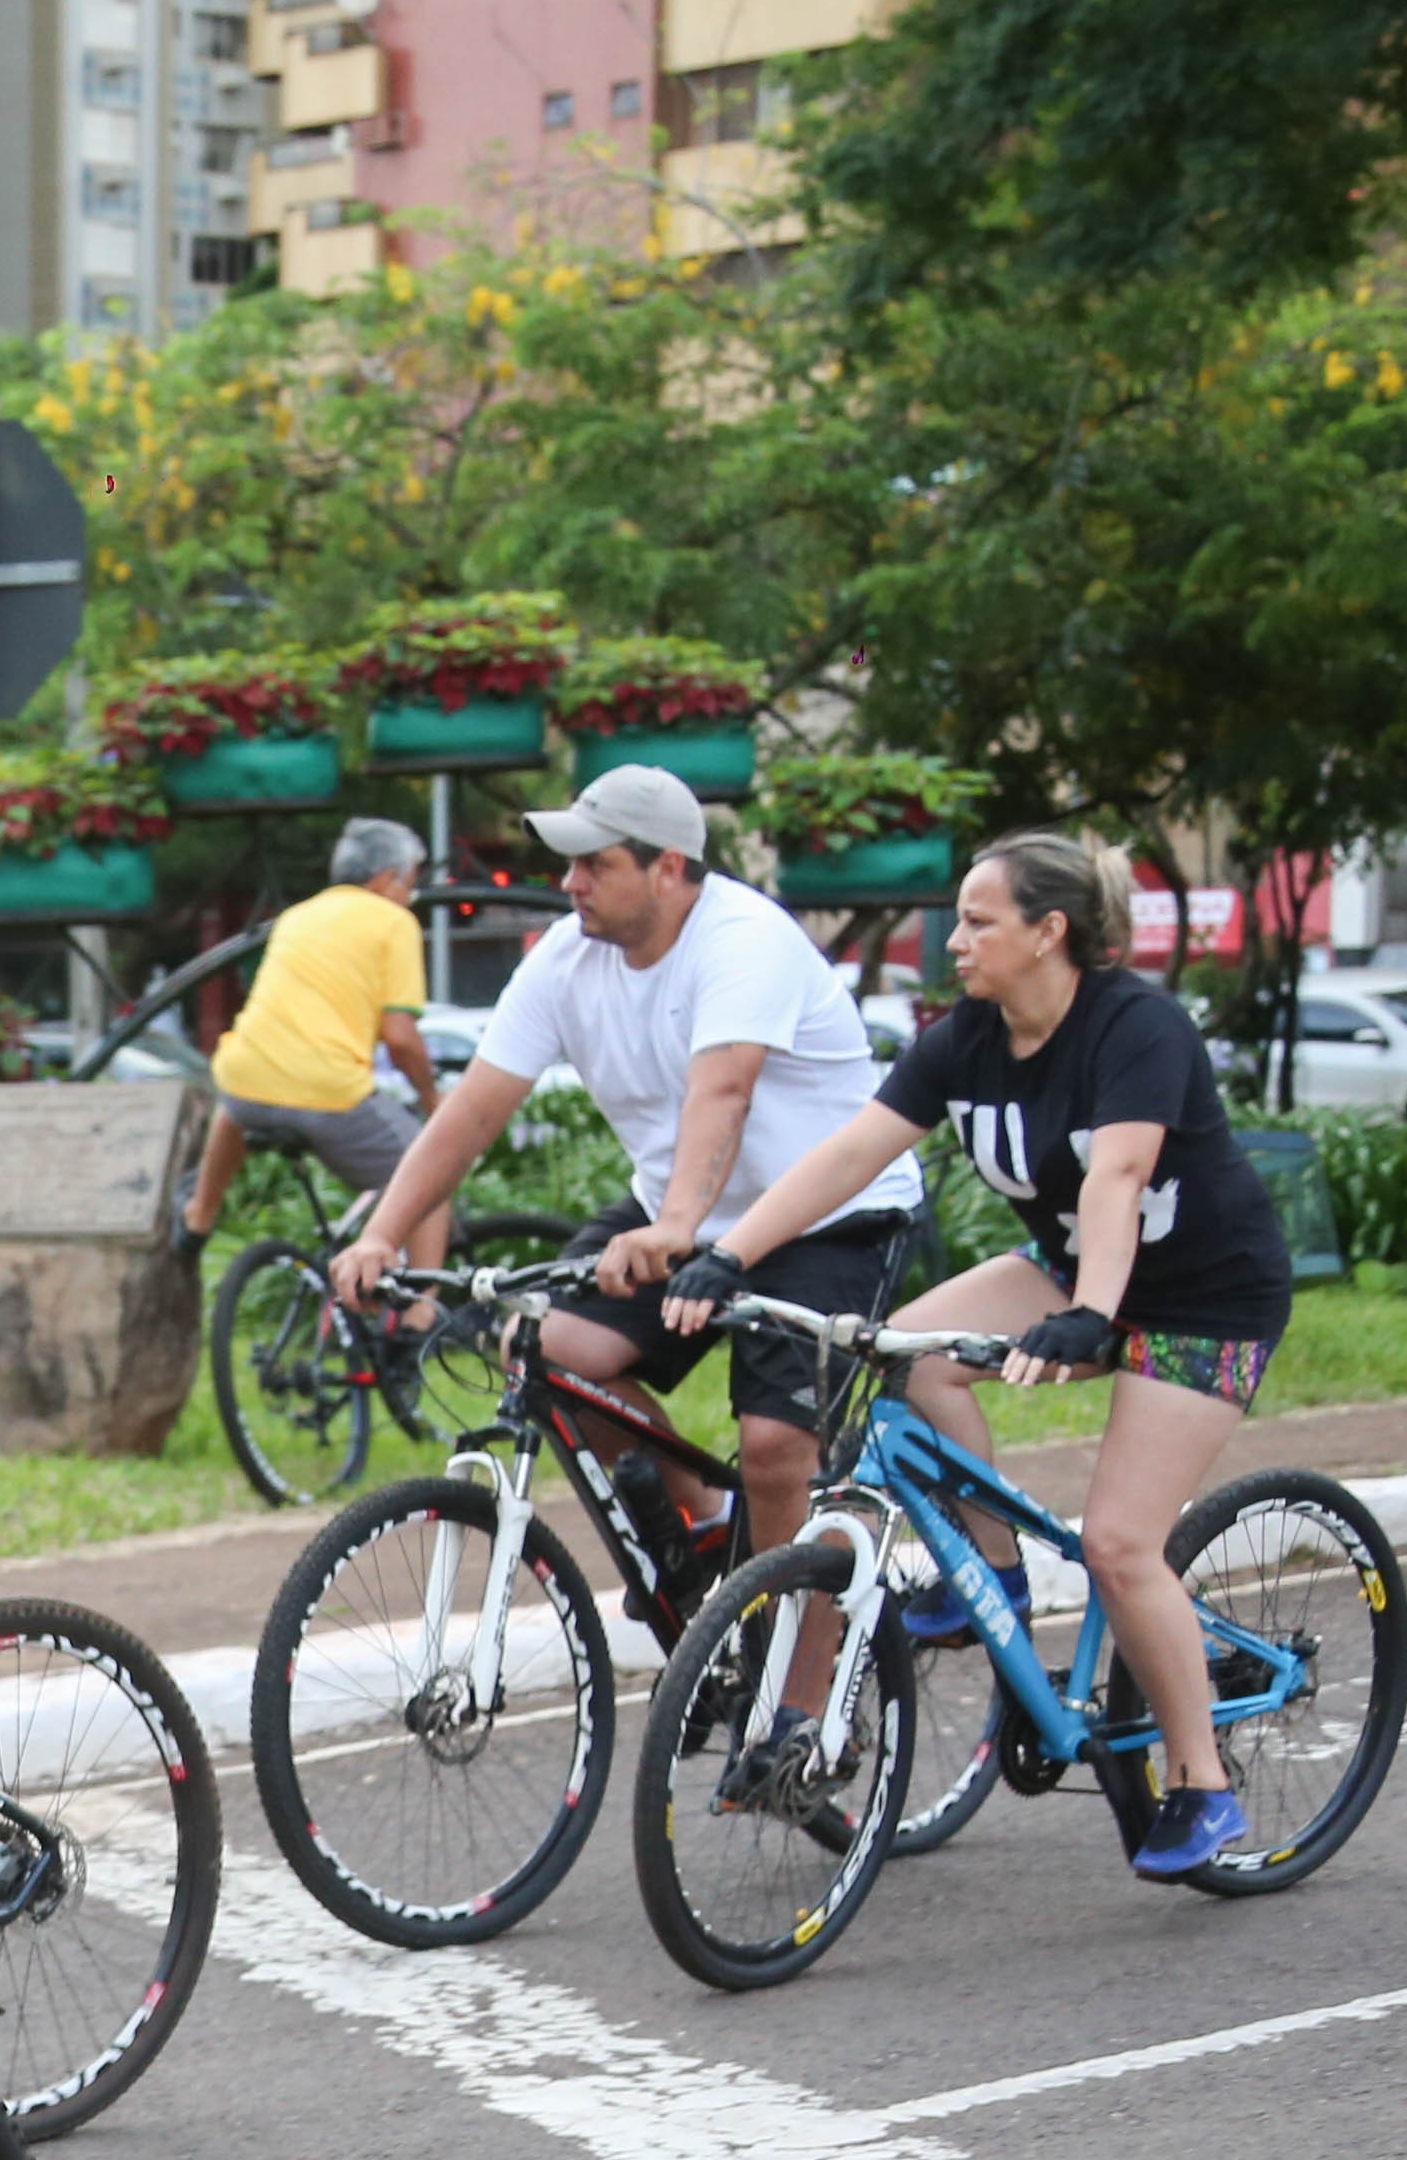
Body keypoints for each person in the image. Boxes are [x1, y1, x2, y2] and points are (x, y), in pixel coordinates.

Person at [656, 832, 1302, 1879]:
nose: (950, 940)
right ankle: (990, 1578)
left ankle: (1203, 1786)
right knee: (917, 1360)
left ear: (1050, 933)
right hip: (1076, 1272)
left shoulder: (1137, 1027)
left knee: (1123, 1545)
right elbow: (853, 1152)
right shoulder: (966, 1038)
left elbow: (1119, 1178)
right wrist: (731, 1253)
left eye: (977, 920)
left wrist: (1094, 1312)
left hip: (1202, 1299)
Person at [332, 761, 919, 1579]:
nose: (570, 884)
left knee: (777, 1447)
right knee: (540, 1346)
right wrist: (383, 1234)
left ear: (668, 867)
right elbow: (471, 1112)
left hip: (825, 1219)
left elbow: (724, 1090)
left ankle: (793, 1700)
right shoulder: (566, 959)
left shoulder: (743, 939)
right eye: (570, 864)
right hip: (679, 1214)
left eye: (595, 864)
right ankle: (710, 1520)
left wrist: (678, 1229)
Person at [187, 816, 442, 1245]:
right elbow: (400, 1039)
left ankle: (199, 1216)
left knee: (234, 1107)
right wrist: (432, 1099)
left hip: (245, 1080)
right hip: (327, 1093)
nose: (408, 898)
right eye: (409, 885)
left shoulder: (297, 916)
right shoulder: (393, 921)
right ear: (384, 880)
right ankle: (423, 1308)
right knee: (432, 1171)